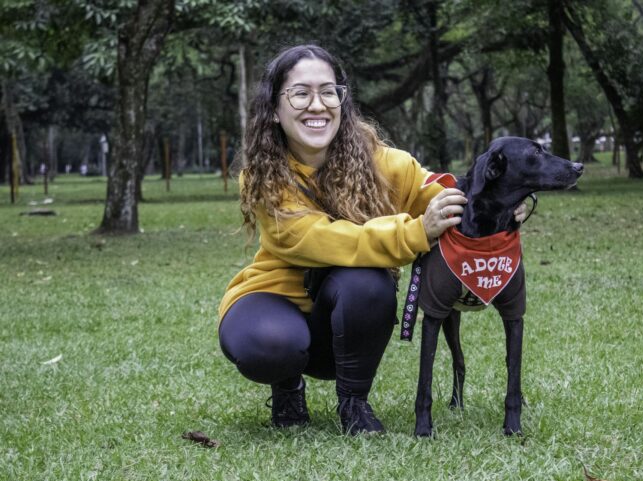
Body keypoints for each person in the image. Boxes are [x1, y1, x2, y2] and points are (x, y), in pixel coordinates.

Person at [217, 44, 526, 435]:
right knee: (271, 344)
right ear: (275, 110)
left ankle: (354, 404)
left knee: (367, 280)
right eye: (300, 93)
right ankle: (288, 384)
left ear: (342, 101)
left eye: (329, 92)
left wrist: (498, 204)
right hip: (274, 299)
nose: (317, 105)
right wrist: (416, 232)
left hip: (345, 317)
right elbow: (323, 239)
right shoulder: (263, 179)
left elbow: (437, 191)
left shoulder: (385, 163)